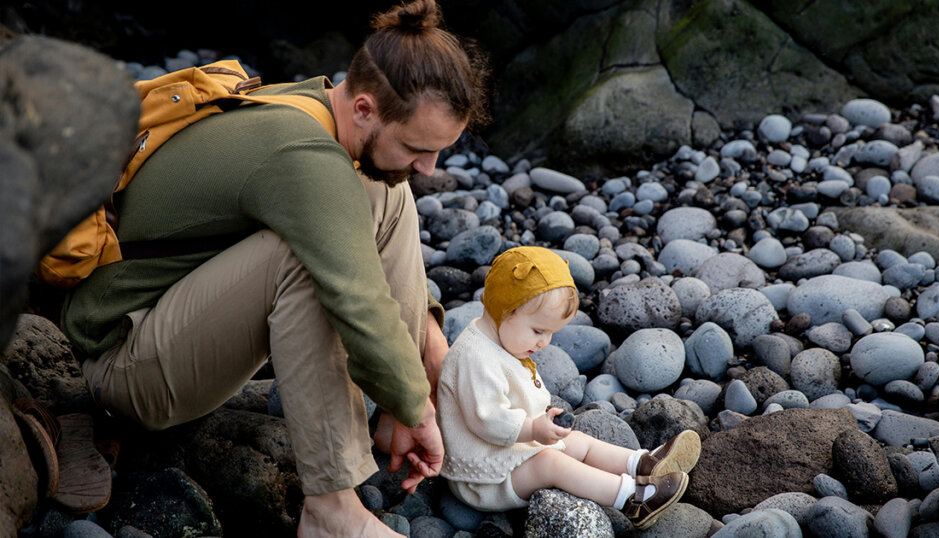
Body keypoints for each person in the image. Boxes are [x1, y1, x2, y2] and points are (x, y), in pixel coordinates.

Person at [59, 1, 488, 536]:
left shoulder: (312, 99)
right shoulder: (304, 155)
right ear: (363, 107)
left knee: (387, 189)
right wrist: (421, 411)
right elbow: (355, 297)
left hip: (177, 319)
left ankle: (399, 399)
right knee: (305, 261)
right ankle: (330, 510)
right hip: (123, 366)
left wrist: (425, 360)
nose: (430, 168)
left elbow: (371, 216)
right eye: (418, 148)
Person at [436, 246, 702, 530]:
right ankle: (633, 499)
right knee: (552, 464)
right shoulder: (474, 357)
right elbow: (487, 419)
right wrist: (534, 428)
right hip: (484, 478)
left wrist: (542, 418)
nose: (544, 342)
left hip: (511, 453)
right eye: (538, 331)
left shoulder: (504, 341)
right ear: (504, 310)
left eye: (551, 333)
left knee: (578, 442)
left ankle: (643, 464)